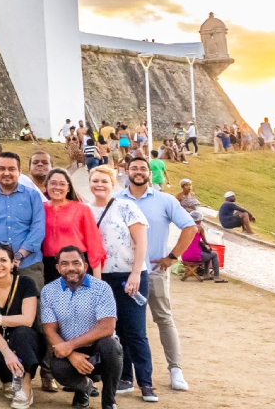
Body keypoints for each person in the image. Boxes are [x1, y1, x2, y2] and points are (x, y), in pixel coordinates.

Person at [117, 156, 196, 392]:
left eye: (143, 168)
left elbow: (190, 227)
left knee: (163, 318)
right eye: (134, 168)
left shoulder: (164, 200)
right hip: (124, 272)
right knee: (127, 325)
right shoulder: (116, 199)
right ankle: (124, 374)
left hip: (153, 271)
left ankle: (175, 369)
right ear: (127, 171)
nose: (139, 172)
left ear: (150, 173)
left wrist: (172, 257)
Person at [88, 165, 153, 398]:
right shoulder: (87, 211)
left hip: (129, 274)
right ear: (89, 183)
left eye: (104, 181)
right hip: (101, 277)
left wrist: (135, 273)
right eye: (95, 181)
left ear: (112, 184)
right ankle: (124, 377)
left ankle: (146, 381)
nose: (99, 185)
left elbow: (141, 242)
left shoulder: (126, 207)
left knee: (134, 330)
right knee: (111, 329)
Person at [40, 246, 123, 409]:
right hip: (70, 351)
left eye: (76, 263)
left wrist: (70, 345)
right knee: (58, 368)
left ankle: (109, 402)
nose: (71, 268)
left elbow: (107, 327)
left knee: (112, 347)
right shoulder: (49, 291)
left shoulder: (101, 288)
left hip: (98, 348)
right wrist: (71, 354)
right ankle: (84, 388)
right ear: (58, 268)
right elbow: (49, 329)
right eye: (64, 264)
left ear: (85, 266)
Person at [0, 242, 42, 409]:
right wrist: (6, 352)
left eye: (3, 260)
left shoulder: (26, 283)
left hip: (27, 339)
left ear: (13, 263)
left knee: (22, 333)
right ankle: (7, 378)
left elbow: (28, 319)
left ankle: (25, 386)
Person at [0, 152, 46, 288]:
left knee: (33, 307)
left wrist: (19, 256)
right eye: (2, 169)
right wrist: (0, 258)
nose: (6, 173)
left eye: (11, 169)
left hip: (28, 264)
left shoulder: (32, 196)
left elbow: (38, 228)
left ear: (20, 172)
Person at [41, 168, 105, 284]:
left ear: (68, 188)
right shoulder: (39, 209)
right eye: (53, 183)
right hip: (49, 267)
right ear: (46, 185)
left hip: (77, 265)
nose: (57, 187)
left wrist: (97, 281)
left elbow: (94, 244)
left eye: (62, 184)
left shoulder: (82, 209)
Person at [181, 212, 227, 283]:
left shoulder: (185, 227)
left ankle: (206, 274)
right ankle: (216, 276)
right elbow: (205, 241)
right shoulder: (199, 228)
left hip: (184, 255)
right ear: (199, 220)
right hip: (195, 255)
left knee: (208, 254)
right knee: (213, 254)